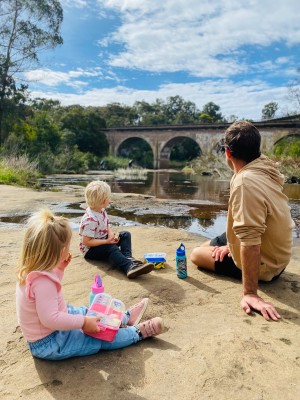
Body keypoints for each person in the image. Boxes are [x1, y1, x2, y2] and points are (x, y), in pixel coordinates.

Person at [16, 209, 165, 361]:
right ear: (60, 251)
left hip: (52, 329)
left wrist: (59, 269)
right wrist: (83, 323)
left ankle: (122, 319)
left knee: (85, 312)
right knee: (97, 336)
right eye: (67, 246)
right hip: (51, 342)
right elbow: (50, 319)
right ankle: (137, 333)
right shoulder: (43, 282)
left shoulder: (33, 271)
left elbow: (49, 297)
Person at [190, 121, 294, 321]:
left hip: (269, 265)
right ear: (256, 149)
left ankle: (249, 279)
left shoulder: (245, 181)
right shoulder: (263, 166)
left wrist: (250, 294)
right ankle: (228, 248)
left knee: (196, 255)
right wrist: (231, 246)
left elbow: (251, 240)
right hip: (278, 253)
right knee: (208, 246)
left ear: (228, 153)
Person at [79, 180, 154, 279]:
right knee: (111, 248)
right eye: (108, 198)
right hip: (91, 250)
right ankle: (128, 267)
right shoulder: (90, 219)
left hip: (103, 240)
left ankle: (127, 258)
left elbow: (106, 225)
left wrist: (110, 235)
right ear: (103, 201)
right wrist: (107, 242)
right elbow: (86, 242)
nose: (109, 199)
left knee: (125, 235)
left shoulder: (101, 210)